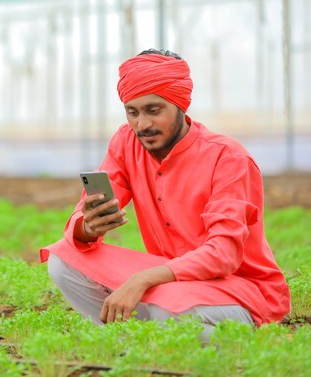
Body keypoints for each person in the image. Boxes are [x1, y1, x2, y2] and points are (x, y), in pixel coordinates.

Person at [39, 48, 290, 339]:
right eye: (132, 112)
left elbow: (224, 254)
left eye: (153, 110)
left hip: (237, 288)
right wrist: (87, 227)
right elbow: (82, 222)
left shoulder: (228, 159)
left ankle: (166, 339)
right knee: (63, 260)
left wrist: (142, 279)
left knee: (167, 308)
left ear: (181, 106)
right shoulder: (125, 142)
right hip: (168, 282)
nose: (142, 125)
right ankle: (130, 341)